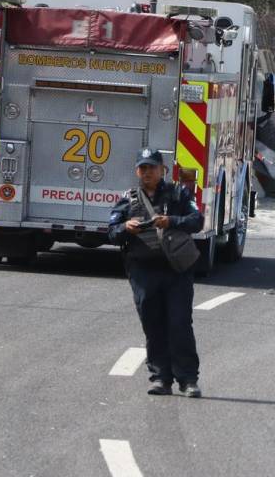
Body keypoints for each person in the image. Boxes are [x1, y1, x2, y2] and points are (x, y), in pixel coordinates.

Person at [109, 149, 206, 397]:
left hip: (176, 271)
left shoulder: (178, 194)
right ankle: (161, 378)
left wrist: (171, 221)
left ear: (162, 170)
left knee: (179, 323)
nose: (147, 172)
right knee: (153, 325)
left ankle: (188, 380)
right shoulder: (128, 199)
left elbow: (197, 220)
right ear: (136, 171)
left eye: (152, 167)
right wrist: (125, 227)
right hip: (143, 273)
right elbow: (110, 231)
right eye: (143, 168)